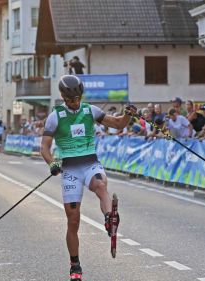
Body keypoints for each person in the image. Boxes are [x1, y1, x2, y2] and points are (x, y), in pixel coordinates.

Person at [40, 75, 136, 281]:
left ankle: (110, 219)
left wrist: (128, 115)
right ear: (64, 97)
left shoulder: (90, 110)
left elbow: (118, 124)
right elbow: (45, 147)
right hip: (70, 170)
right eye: (70, 99)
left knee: (101, 185)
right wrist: (52, 163)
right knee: (73, 220)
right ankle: (75, 265)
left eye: (77, 98)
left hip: (90, 162)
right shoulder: (55, 116)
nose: (75, 102)